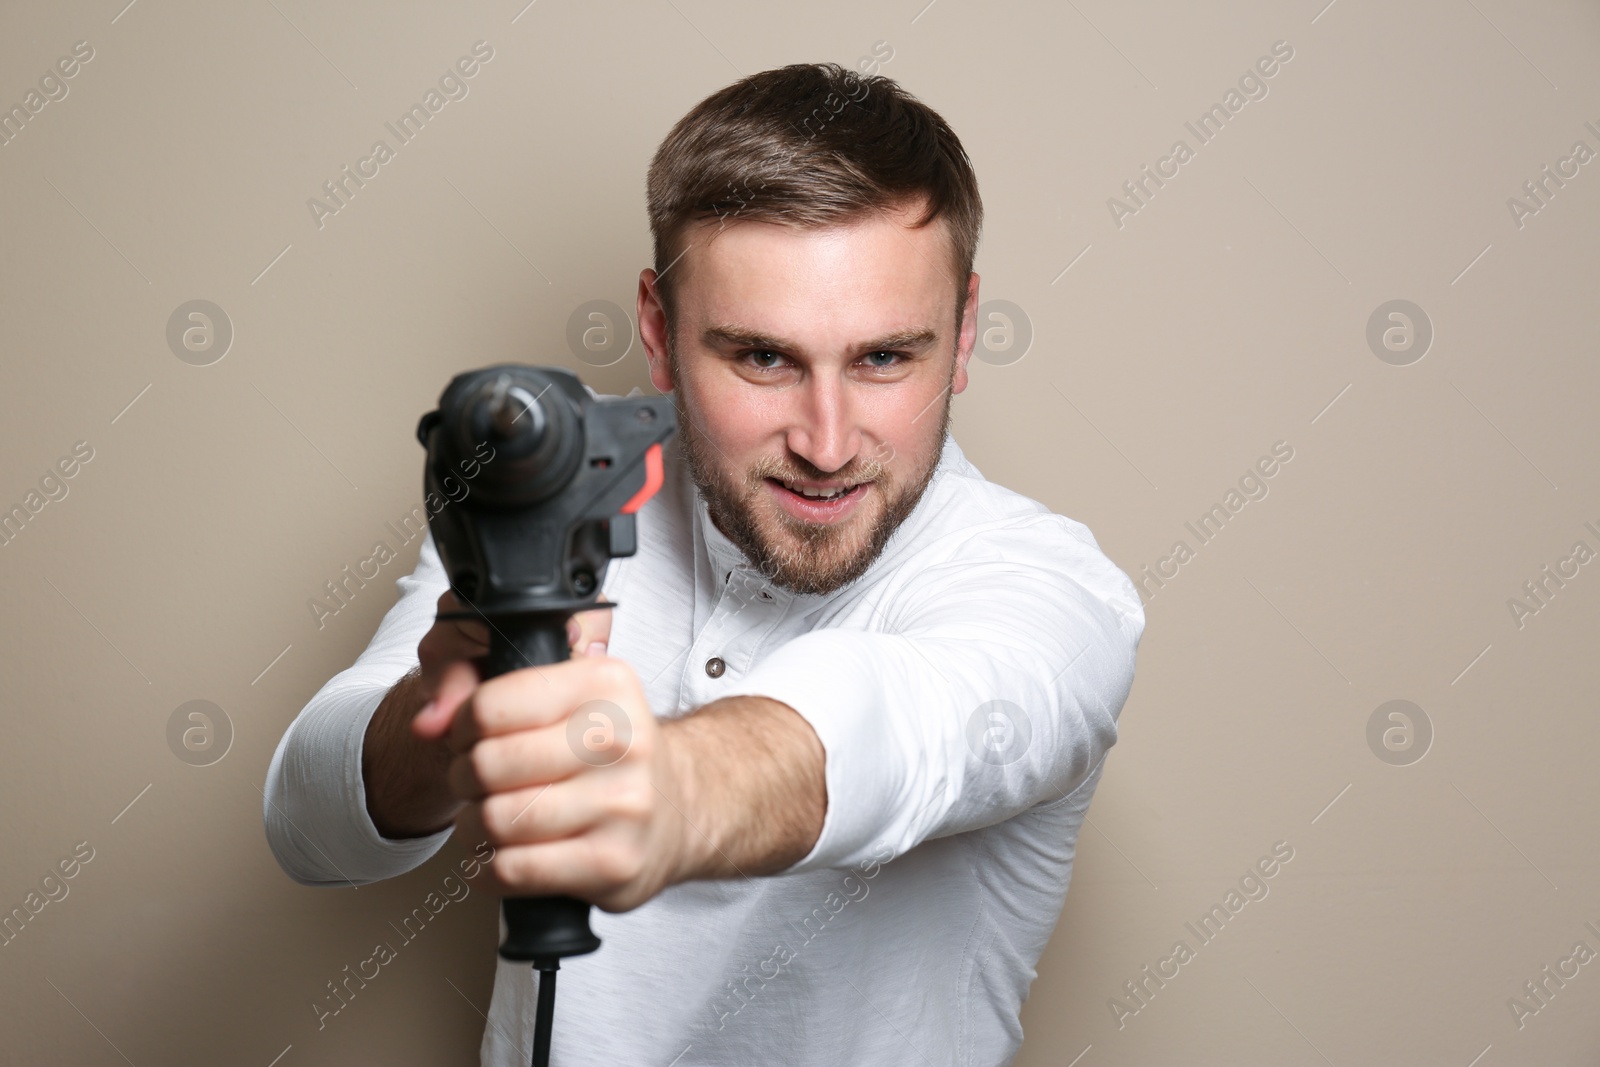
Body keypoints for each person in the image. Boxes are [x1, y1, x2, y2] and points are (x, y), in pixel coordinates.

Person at [264, 61, 1144, 1066]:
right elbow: (308, 827)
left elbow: (893, 719)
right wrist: (453, 699)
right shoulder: (551, 493)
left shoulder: (1051, 590)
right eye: (763, 357)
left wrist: (670, 786)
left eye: (885, 358)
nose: (826, 439)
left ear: (967, 330)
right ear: (657, 328)